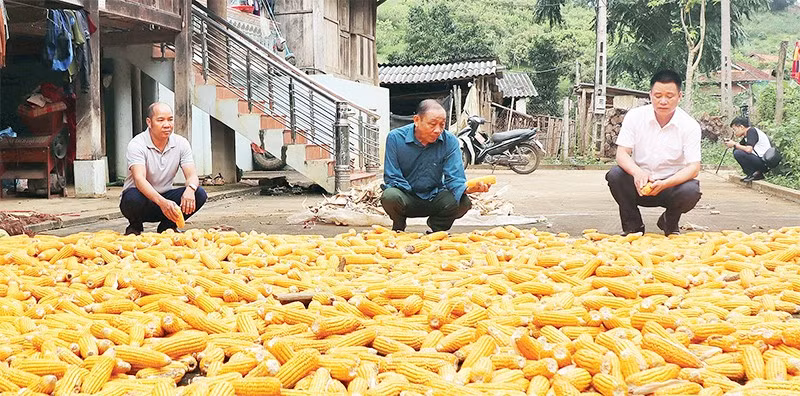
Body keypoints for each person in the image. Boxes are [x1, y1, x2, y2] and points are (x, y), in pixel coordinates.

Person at [606, 70, 702, 236]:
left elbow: (694, 168)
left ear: (680, 96)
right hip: (639, 184)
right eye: (658, 95)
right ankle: (633, 227)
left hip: (670, 186)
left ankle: (669, 222)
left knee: (691, 190)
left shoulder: (689, 125)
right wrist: (637, 173)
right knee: (615, 175)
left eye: (669, 96)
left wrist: (665, 183)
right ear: (650, 95)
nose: (663, 101)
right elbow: (621, 154)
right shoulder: (635, 117)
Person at [380, 99, 490, 232]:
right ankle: (398, 225)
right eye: (432, 124)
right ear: (416, 120)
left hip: (434, 196)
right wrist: (413, 194)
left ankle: (437, 230)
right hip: (405, 197)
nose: (438, 130)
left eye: (442, 125)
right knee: (390, 196)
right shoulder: (395, 138)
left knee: (463, 202)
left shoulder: (450, 141)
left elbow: (455, 177)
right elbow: (392, 176)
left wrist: (468, 189)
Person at [119, 103, 207, 235]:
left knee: (199, 193)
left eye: (170, 120)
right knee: (132, 197)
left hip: (166, 199)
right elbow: (139, 179)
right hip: (142, 201)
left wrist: (190, 189)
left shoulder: (181, 143)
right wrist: (162, 202)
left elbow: (192, 175)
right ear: (149, 122)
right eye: (160, 120)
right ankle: (135, 227)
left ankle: (168, 226)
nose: (167, 125)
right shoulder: (137, 144)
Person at [727, 116, 771, 182]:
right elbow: (740, 146)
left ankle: (756, 174)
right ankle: (752, 174)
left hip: (764, 162)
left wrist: (734, 144)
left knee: (738, 153)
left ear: (741, 127)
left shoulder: (751, 131)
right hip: (759, 160)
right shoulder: (746, 135)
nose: (734, 132)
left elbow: (748, 149)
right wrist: (732, 144)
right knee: (736, 151)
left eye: (735, 129)